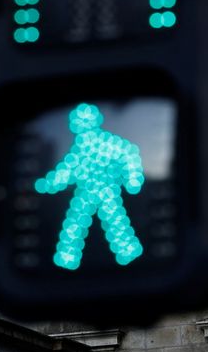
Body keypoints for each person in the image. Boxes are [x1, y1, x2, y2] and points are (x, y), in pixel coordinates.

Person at [34, 103, 144, 270]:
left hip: (106, 190)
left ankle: (127, 254)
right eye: (79, 122)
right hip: (87, 193)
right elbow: (66, 171)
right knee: (75, 224)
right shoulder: (81, 149)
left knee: (112, 222)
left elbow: (128, 153)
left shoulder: (106, 143)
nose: (81, 125)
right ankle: (67, 257)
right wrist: (48, 184)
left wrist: (133, 179)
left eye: (84, 121)